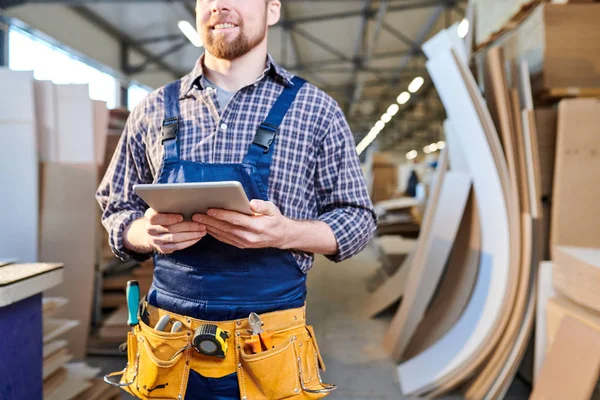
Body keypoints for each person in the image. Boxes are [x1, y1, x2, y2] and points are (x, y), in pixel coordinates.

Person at [96, 0, 376, 398]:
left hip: (269, 346)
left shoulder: (316, 110)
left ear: (272, 9)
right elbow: (116, 207)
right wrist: (144, 231)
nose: (220, 4)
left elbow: (357, 219)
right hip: (169, 347)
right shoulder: (153, 108)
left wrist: (286, 232)